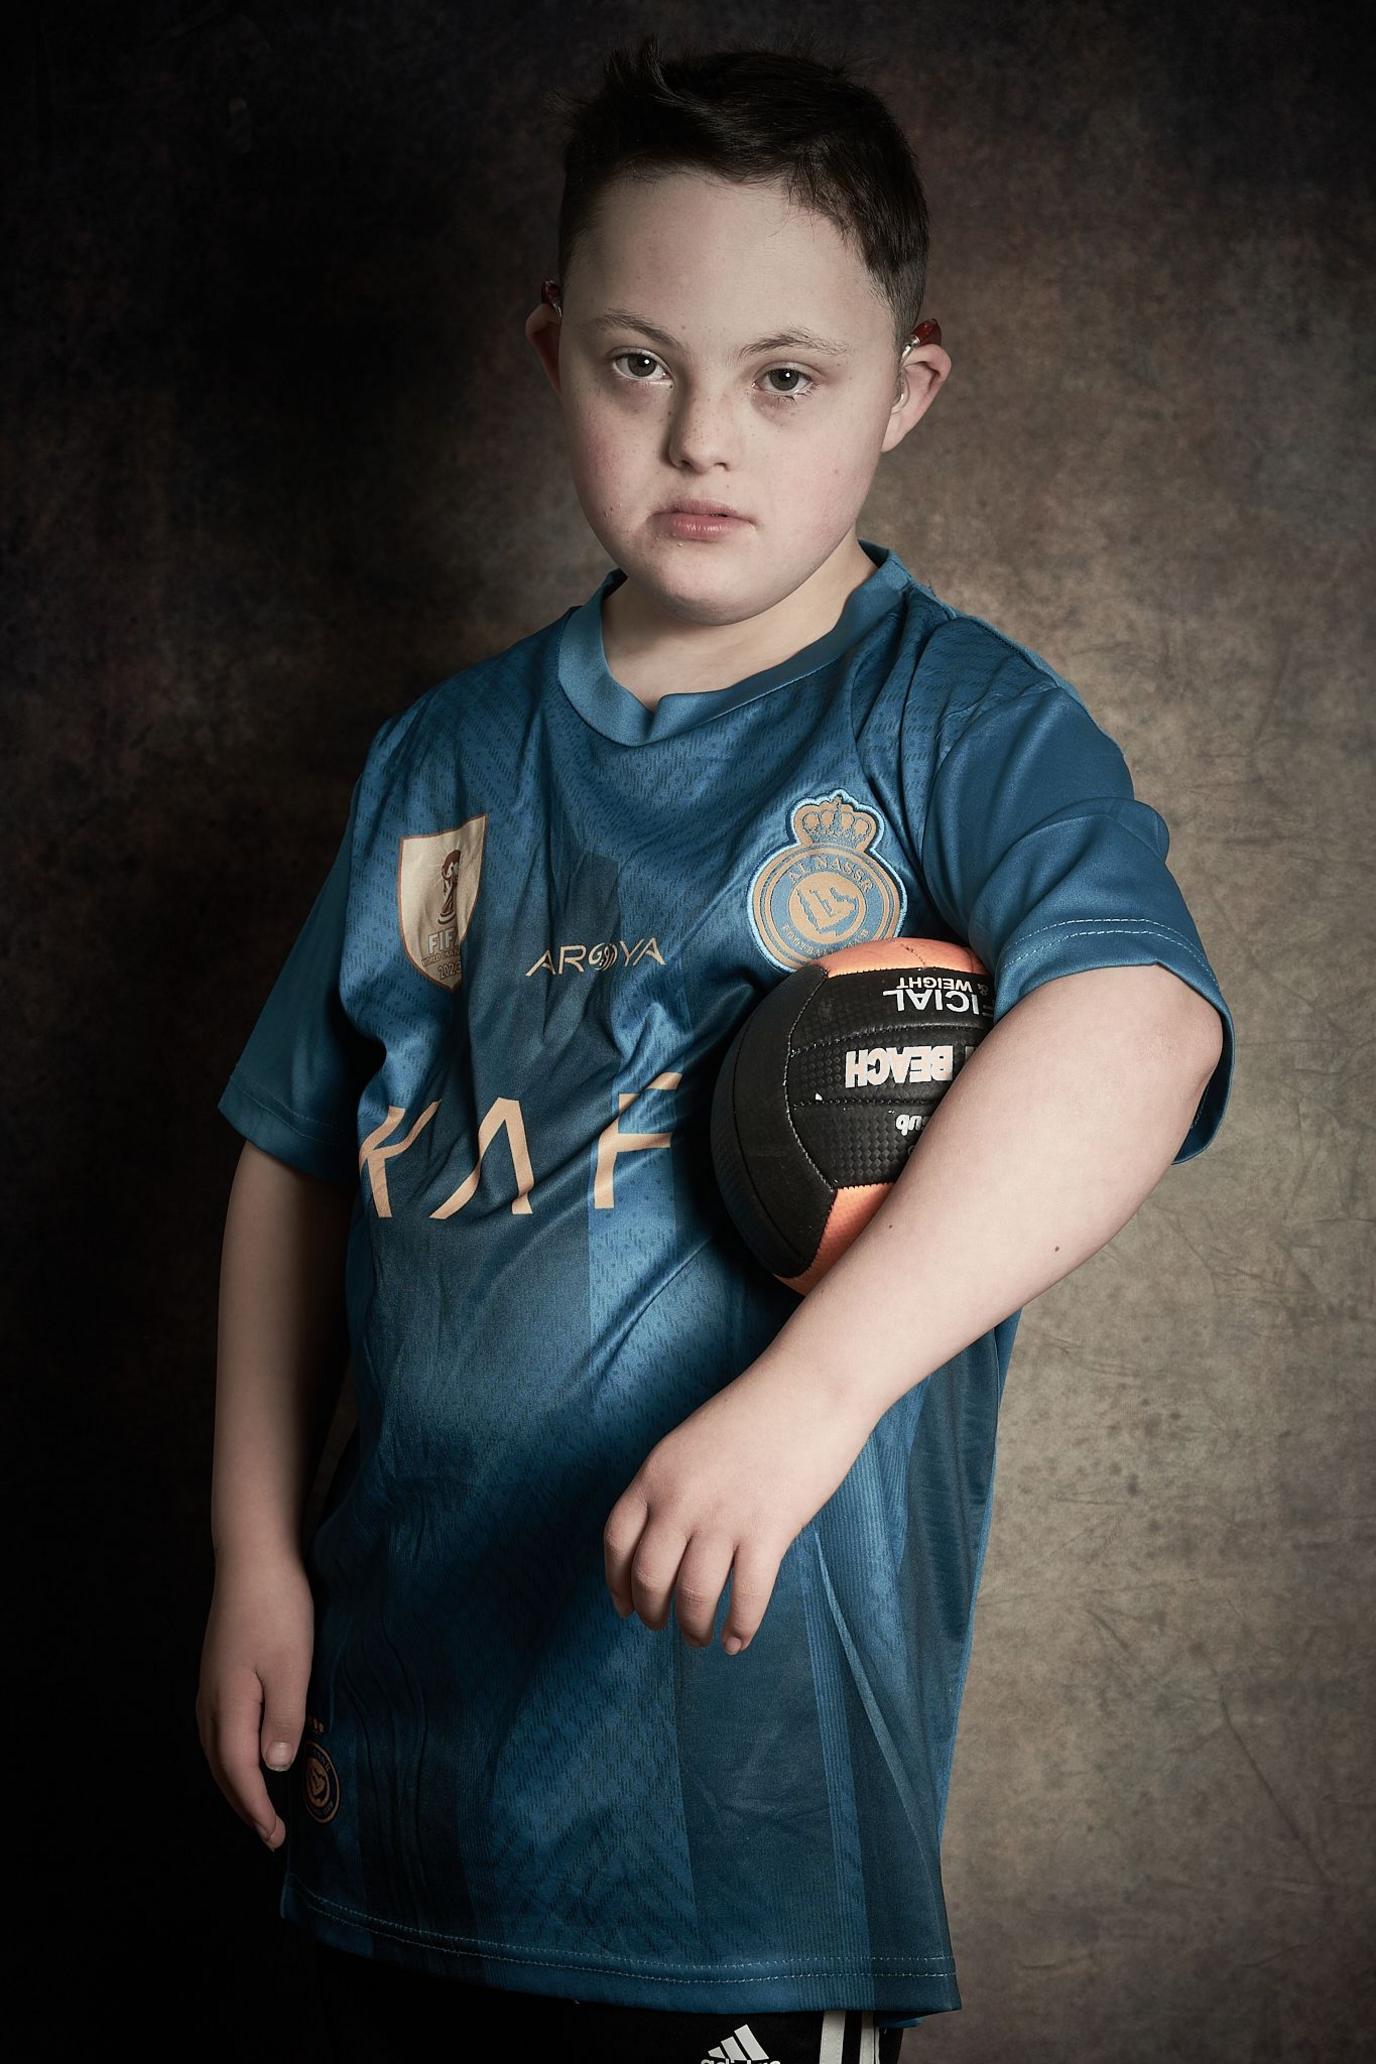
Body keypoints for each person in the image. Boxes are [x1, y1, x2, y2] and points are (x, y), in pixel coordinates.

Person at [197, 31, 1236, 2064]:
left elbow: (1139, 1019)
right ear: (551, 350)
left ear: (901, 390)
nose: (701, 440)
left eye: (785, 377)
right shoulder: (440, 758)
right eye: (636, 362)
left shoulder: (952, 723)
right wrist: (248, 1548)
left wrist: (818, 1388)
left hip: (731, 1821)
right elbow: (295, 1151)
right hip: (392, 1776)